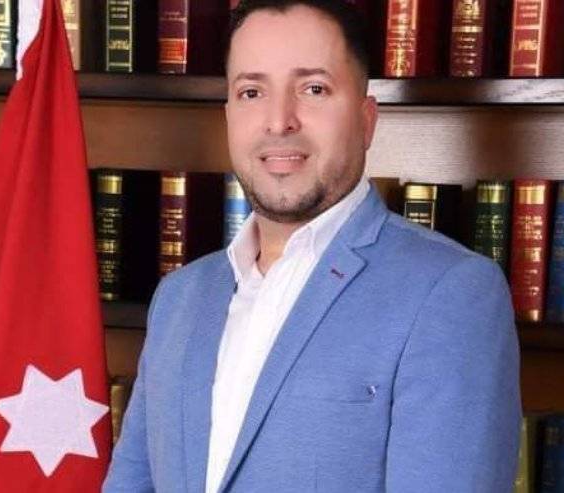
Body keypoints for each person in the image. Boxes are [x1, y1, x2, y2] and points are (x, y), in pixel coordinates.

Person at [104, 1, 521, 491]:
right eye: (252, 92)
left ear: (366, 120)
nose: (278, 121)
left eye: (313, 89)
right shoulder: (179, 297)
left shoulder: (450, 293)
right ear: (229, 116)